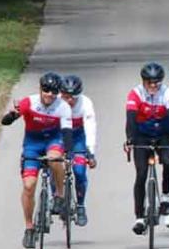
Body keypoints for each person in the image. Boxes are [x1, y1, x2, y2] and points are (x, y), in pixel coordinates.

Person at [1, 72, 73, 249]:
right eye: (46, 90)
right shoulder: (29, 102)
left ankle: (59, 196)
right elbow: (9, 119)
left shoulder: (63, 107)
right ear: (40, 89)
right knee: (28, 186)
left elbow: (67, 133)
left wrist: (68, 153)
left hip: (53, 141)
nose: (49, 94)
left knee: (55, 159)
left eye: (54, 91)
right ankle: (29, 228)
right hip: (32, 144)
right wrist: (11, 116)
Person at [124, 62, 169, 235]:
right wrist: (130, 140)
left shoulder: (168, 94)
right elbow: (131, 119)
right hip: (142, 134)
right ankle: (139, 217)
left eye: (157, 82)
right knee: (141, 174)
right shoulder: (135, 93)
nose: (153, 85)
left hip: (162, 133)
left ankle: (166, 195)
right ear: (143, 81)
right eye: (150, 82)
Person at [60, 75, 97, 227]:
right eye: (65, 97)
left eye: (73, 98)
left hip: (78, 138)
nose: (69, 101)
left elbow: (90, 127)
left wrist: (90, 152)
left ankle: (80, 206)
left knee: (80, 171)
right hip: (59, 136)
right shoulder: (54, 102)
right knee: (53, 167)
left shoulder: (85, 103)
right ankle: (55, 196)